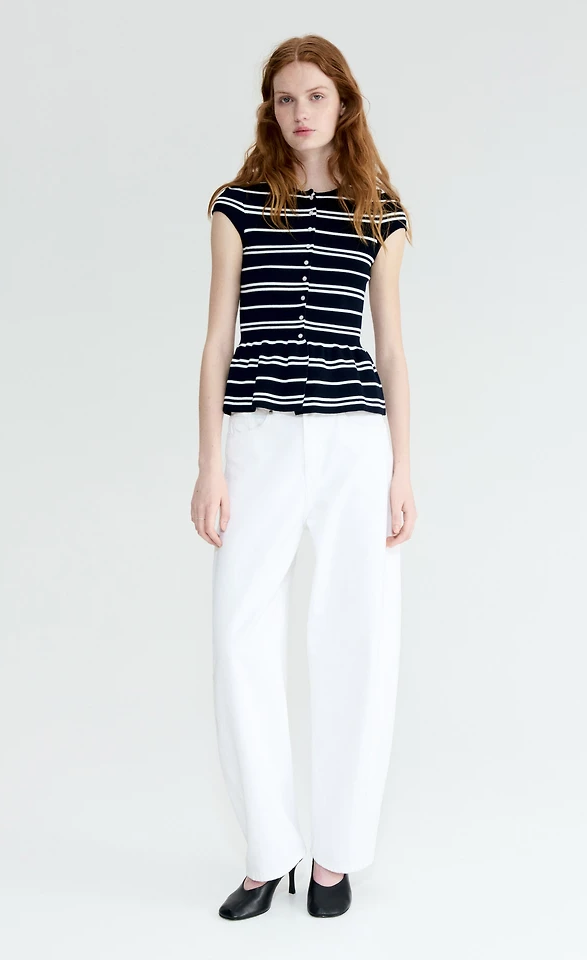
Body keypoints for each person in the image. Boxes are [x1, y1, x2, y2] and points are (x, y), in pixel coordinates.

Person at [191, 34, 417, 920]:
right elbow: (217, 341)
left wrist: (404, 469)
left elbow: (391, 350)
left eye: (315, 96)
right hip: (258, 439)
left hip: (356, 442)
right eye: (285, 98)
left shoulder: (380, 212)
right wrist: (210, 464)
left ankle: (335, 857)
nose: (299, 113)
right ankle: (267, 851)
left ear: (343, 103)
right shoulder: (237, 205)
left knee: (359, 635)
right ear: (270, 109)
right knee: (238, 634)